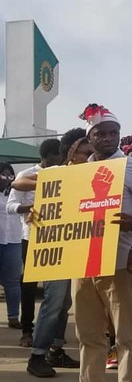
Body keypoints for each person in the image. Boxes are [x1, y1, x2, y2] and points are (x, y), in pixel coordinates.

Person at [53, 104, 132, 382]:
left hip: (120, 262)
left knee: (125, 338)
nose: (107, 138)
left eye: (113, 133)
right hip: (83, 260)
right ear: (89, 138)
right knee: (88, 337)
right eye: (100, 134)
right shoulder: (78, 172)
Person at [9, 131, 87, 377]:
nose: (89, 156)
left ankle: (55, 349)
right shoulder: (51, 174)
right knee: (51, 299)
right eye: (84, 152)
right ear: (71, 152)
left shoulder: (86, 174)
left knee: (64, 302)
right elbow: (16, 185)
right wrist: (34, 202)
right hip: (42, 242)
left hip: (71, 243)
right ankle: (37, 354)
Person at [15, 140, 64, 346]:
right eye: (55, 159)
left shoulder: (64, 173)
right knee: (29, 286)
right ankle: (27, 330)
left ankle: (53, 336)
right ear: (45, 158)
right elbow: (12, 204)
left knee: (56, 293)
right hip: (32, 238)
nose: (58, 162)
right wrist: (29, 208)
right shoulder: (25, 175)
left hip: (58, 238)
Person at [0, 163, 23, 332]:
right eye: (3, 175)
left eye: (10, 176)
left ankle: (13, 317)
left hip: (13, 240)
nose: (7, 179)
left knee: (13, 282)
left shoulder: (17, 194)